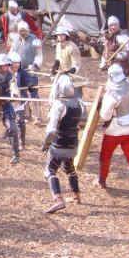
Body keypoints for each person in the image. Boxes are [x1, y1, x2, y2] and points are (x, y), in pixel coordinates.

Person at [98, 64, 129, 194]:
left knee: (105, 156)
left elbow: (105, 115)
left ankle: (102, 181)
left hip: (115, 129)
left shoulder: (112, 93)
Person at [41, 75, 84, 213]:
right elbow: (81, 122)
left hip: (59, 144)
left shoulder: (59, 105)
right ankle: (76, 196)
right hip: (73, 143)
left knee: (49, 171)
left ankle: (59, 200)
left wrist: (45, 144)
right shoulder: (79, 103)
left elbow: (51, 130)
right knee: (69, 168)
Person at [8, 52, 36, 149]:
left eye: (18, 63)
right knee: (9, 122)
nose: (17, 65)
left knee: (20, 121)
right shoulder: (5, 72)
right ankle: (12, 140)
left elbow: (28, 79)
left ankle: (21, 143)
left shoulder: (22, 72)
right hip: (8, 101)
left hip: (19, 101)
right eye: (14, 63)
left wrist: (30, 85)